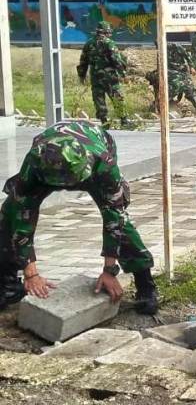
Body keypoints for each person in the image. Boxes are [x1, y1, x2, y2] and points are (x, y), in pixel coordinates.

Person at [0, 121, 158, 314]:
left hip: (94, 153)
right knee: (8, 216)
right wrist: (30, 272)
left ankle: (146, 286)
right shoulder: (35, 161)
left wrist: (109, 271)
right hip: (46, 169)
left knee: (122, 224)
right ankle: (7, 285)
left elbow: (114, 218)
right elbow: (22, 214)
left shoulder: (103, 163)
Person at [77, 21, 128, 127]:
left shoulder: (89, 43)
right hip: (110, 77)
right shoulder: (109, 43)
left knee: (98, 99)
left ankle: (104, 121)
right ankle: (124, 121)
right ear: (106, 32)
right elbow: (116, 60)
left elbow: (83, 61)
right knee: (117, 97)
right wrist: (123, 74)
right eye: (109, 32)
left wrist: (82, 75)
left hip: (95, 77)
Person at [146, 43, 196, 116]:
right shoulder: (160, 52)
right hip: (173, 74)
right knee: (190, 90)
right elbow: (160, 65)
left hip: (179, 72)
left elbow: (187, 55)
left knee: (189, 91)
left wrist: (192, 66)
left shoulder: (176, 46)